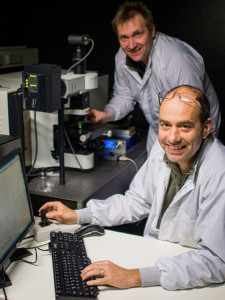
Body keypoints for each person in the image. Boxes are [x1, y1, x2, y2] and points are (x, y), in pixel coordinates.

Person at [40, 85, 225, 290]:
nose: (172, 138)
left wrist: (134, 277)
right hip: (159, 258)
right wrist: (78, 216)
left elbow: (216, 260)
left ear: (206, 127)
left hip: (193, 279)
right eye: (165, 125)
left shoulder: (219, 172)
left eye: (184, 126)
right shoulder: (162, 150)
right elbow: (136, 202)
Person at [87, 1, 221, 154]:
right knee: (154, 176)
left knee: (189, 175)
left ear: (151, 30)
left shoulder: (177, 60)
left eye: (137, 34)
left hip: (193, 131)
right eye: (124, 38)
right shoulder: (122, 57)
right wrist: (106, 115)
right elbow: (125, 95)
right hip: (160, 129)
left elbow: (192, 112)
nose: (131, 45)